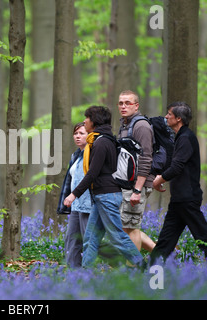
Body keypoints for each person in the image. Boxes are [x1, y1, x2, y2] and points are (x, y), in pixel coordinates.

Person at [64, 106, 145, 269]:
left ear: (94, 121)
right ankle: (84, 273)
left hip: (107, 196)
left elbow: (92, 173)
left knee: (117, 237)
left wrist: (73, 195)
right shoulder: (102, 140)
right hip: (101, 196)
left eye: (87, 118)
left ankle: (144, 267)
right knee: (91, 238)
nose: (84, 121)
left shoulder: (101, 143)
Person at [151, 102, 207, 265]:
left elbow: (177, 167)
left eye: (169, 114)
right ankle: (153, 282)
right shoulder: (181, 137)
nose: (166, 117)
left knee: (203, 239)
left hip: (188, 199)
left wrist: (159, 179)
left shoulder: (186, 138)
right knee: (165, 243)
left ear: (178, 119)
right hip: (179, 200)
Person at [117, 90, 156, 252]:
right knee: (127, 225)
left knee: (130, 227)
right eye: (121, 103)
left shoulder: (141, 126)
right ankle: (165, 255)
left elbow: (146, 158)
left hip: (136, 185)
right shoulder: (125, 125)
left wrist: (137, 189)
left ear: (136, 105)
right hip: (127, 184)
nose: (124, 106)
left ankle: (132, 268)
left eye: (128, 103)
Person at [57, 123, 92, 268]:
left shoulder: (93, 154)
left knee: (88, 239)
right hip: (76, 205)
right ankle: (73, 273)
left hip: (89, 204)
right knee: (71, 239)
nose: (78, 136)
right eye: (76, 133)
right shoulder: (76, 155)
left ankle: (91, 272)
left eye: (82, 133)